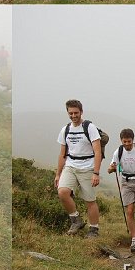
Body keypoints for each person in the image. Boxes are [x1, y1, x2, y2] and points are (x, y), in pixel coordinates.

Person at [54, 99, 102, 238]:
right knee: (62, 192)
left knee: (89, 200)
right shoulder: (66, 130)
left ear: (81, 112)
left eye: (76, 113)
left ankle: (94, 230)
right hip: (70, 165)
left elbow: (97, 152)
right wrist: (58, 174)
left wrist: (96, 173)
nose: (73, 115)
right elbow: (62, 154)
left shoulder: (90, 127)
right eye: (70, 113)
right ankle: (76, 220)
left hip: (87, 167)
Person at [106, 128, 135, 251]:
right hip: (125, 182)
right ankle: (134, 238)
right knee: (130, 211)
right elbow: (109, 169)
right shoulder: (118, 151)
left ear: (133, 140)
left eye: (129, 141)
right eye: (124, 142)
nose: (126, 144)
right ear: (121, 141)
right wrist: (112, 168)